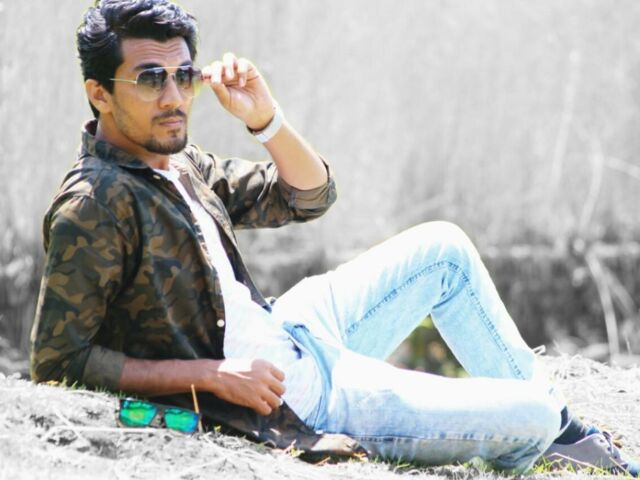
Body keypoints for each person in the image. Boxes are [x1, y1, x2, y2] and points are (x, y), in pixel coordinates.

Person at [30, 0, 638, 475]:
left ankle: (566, 434)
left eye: (184, 76)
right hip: (301, 398)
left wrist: (265, 118)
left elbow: (309, 195)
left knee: (445, 249)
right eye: (150, 78)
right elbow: (59, 360)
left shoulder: (178, 163)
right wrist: (212, 375)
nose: (174, 97)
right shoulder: (94, 205)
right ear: (99, 92)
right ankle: (551, 428)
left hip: (295, 328)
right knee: (531, 415)